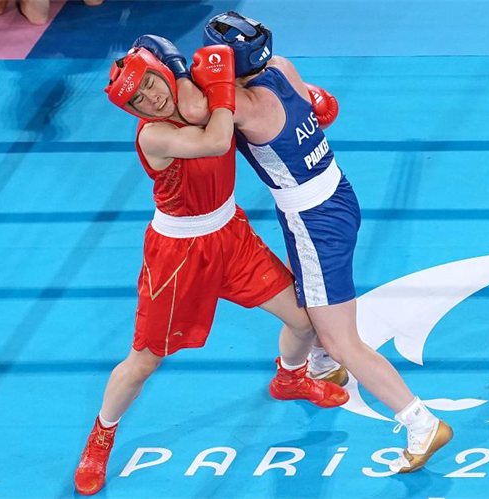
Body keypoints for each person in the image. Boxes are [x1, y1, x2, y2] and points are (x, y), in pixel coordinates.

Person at [136, 13, 452, 474]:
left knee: (341, 339)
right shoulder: (282, 66)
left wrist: (178, 67)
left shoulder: (241, 105)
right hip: (336, 194)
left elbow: (194, 113)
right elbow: (316, 105)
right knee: (315, 312)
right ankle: (314, 368)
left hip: (314, 224)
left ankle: (420, 423)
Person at [74, 45, 348, 496]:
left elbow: (250, 97)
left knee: (305, 317)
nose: (151, 98)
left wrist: (302, 102)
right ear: (131, 111)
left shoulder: (195, 99)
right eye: (138, 99)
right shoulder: (153, 136)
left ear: (164, 75)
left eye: (151, 84)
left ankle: (290, 376)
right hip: (177, 255)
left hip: (231, 235)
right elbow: (217, 140)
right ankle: (101, 435)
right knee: (145, 360)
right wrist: (214, 81)